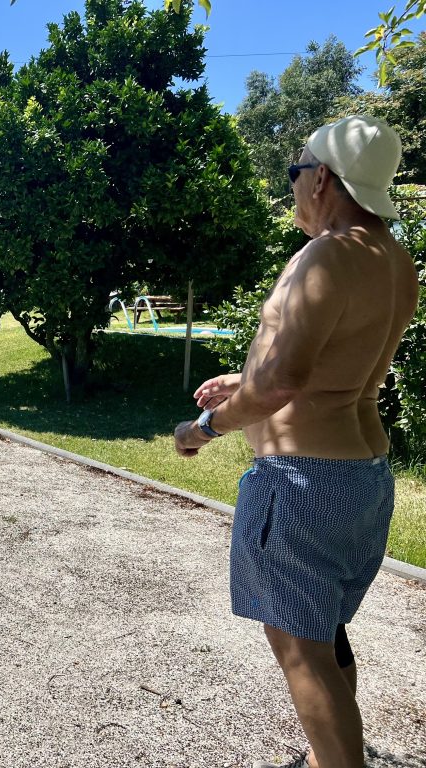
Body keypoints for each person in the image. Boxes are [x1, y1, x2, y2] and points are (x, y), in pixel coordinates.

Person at [174, 115, 418, 768]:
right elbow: (331, 364)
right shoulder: (394, 261)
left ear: (323, 179)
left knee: (298, 648)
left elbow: (286, 378)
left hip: (304, 482)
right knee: (324, 634)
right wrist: (243, 380)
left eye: (295, 173)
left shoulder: (327, 253)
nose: (293, 189)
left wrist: (202, 430)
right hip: (363, 477)